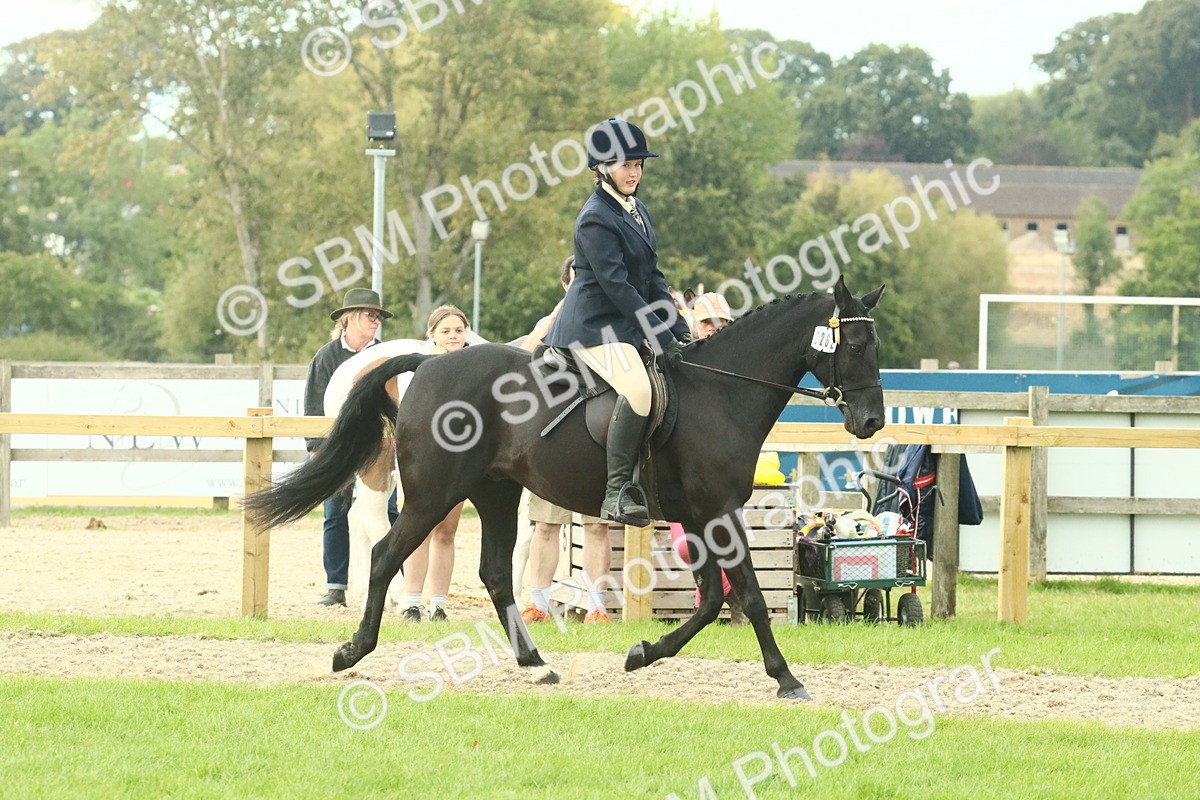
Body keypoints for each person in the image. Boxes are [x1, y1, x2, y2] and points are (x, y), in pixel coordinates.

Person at [543, 118, 692, 528]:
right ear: (602, 168)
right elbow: (618, 287)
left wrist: (679, 327)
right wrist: (657, 332)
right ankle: (617, 491)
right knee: (640, 391)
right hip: (594, 326)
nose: (634, 172)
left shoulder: (637, 208)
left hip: (624, 322)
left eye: (639, 165)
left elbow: (652, 276)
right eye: (626, 165)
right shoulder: (595, 216)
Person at [519, 255, 613, 624]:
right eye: (576, 282)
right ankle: (537, 604)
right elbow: (521, 357)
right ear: (564, 285)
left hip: (594, 437)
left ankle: (597, 607)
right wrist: (558, 314)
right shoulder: (551, 322)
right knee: (545, 525)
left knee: (596, 525)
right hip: (552, 441)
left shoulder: (607, 325)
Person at [305, 288, 398, 607]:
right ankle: (336, 585)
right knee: (335, 511)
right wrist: (316, 446)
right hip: (338, 444)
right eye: (370, 315)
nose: (376, 321)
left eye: (378, 316)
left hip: (381, 443)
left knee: (389, 509)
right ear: (349, 318)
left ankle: (389, 579)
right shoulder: (327, 356)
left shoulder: (386, 355)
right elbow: (315, 402)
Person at [399, 304, 471, 622]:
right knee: (418, 528)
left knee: (447, 530)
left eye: (458, 330)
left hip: (461, 458)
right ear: (432, 335)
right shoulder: (420, 366)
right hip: (424, 456)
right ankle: (411, 601)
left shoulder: (475, 364)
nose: (453, 335)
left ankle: (439, 604)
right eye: (446, 330)